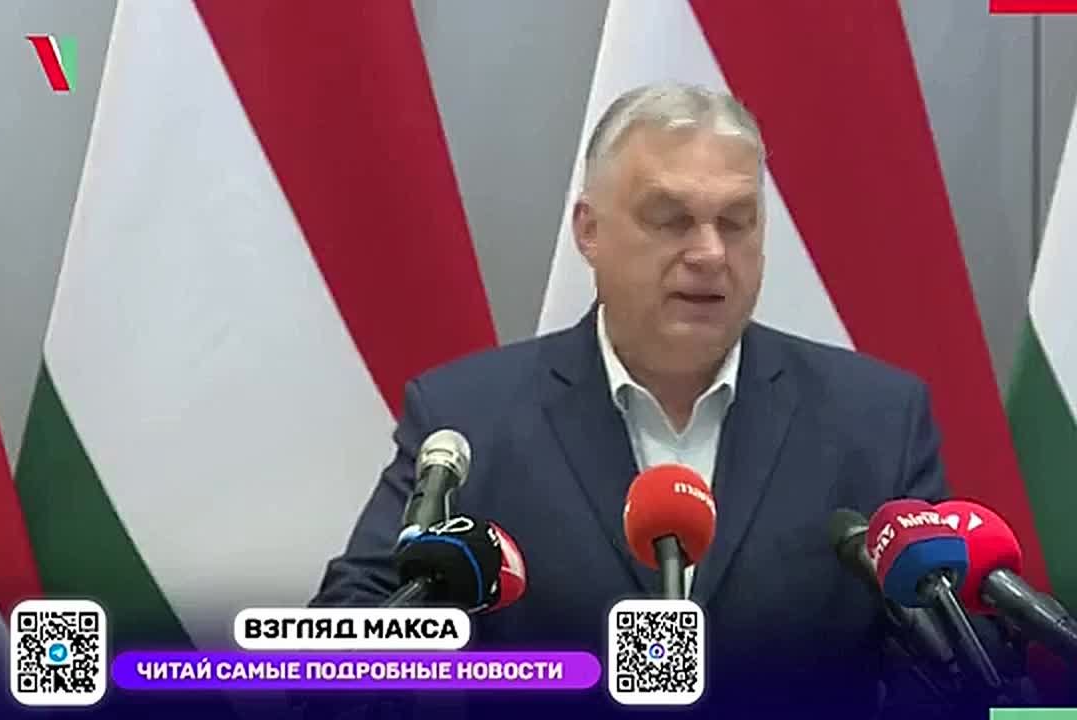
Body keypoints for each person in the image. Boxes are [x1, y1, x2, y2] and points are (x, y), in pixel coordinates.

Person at [310, 83, 1022, 717]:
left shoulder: (875, 420)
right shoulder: (469, 418)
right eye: (671, 219)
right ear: (589, 231)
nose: (710, 253)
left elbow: (956, 662)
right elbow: (351, 635)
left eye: (736, 222)